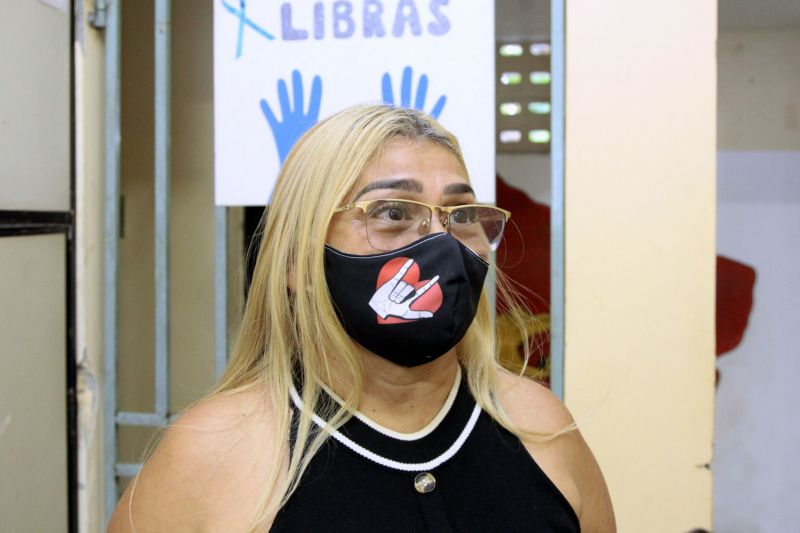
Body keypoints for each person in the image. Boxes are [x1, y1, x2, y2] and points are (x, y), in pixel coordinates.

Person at [108, 105, 615, 532]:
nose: (439, 242)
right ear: (295, 259)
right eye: (392, 213)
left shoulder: (540, 426)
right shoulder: (212, 453)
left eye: (460, 214)